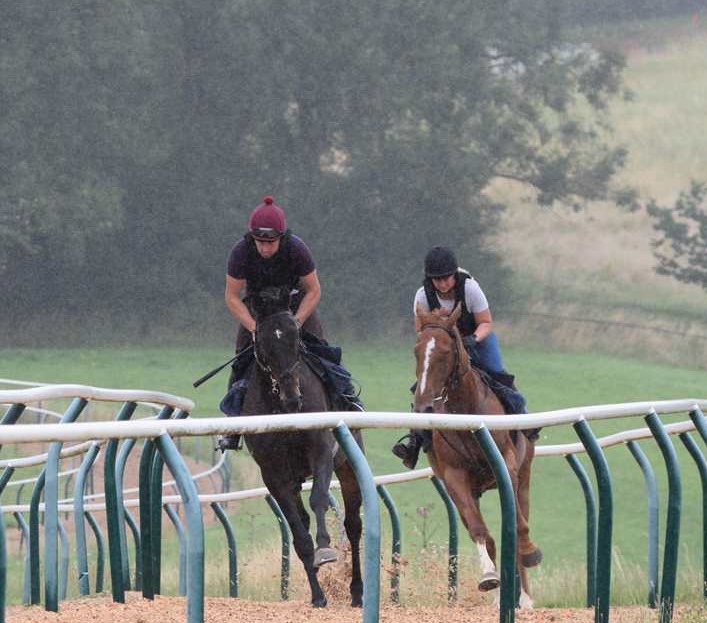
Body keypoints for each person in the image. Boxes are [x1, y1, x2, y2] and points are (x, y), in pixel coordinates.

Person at [214, 195, 360, 451]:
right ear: (252, 238)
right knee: (242, 361)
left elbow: (314, 290)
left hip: (295, 307)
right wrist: (253, 328)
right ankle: (233, 425)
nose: (265, 248)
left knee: (322, 351)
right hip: (258, 312)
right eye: (260, 242)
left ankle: (347, 400)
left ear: (281, 237)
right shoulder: (240, 252)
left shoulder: (296, 248)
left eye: (271, 243)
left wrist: (297, 321)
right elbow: (231, 297)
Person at [391, 245, 530, 469]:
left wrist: (472, 340)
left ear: (454, 274)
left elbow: (486, 322)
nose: (443, 284)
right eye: (437, 280)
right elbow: (422, 331)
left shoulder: (470, 288)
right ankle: (415, 440)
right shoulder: (422, 296)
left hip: (477, 338)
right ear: (430, 279)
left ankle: (523, 419)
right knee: (424, 386)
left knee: (497, 374)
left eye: (446, 278)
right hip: (445, 345)